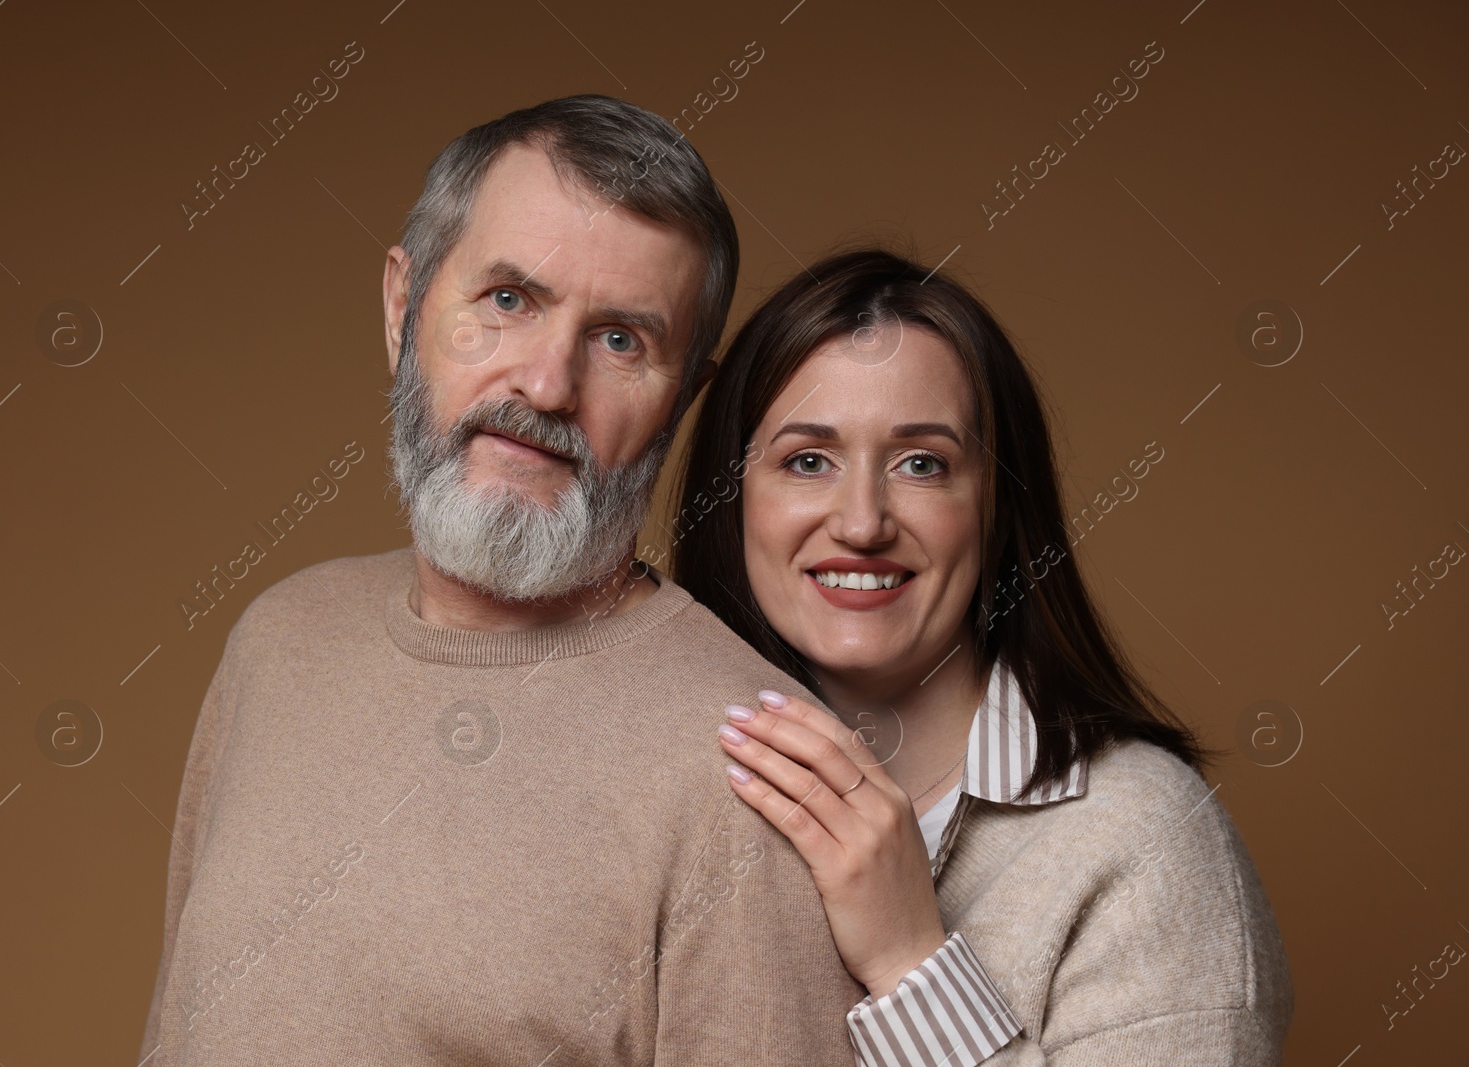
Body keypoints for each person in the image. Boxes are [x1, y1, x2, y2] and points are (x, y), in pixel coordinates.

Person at [137, 96, 871, 1066]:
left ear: (685, 396)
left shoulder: (747, 766)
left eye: (621, 340)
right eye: (508, 300)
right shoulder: (278, 638)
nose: (546, 383)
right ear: (404, 307)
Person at [673, 246, 1295, 1065]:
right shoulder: (663, 780)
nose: (862, 521)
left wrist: (910, 962)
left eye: (922, 464)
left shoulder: (1147, 842)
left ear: (998, 509)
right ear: (732, 501)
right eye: (808, 461)